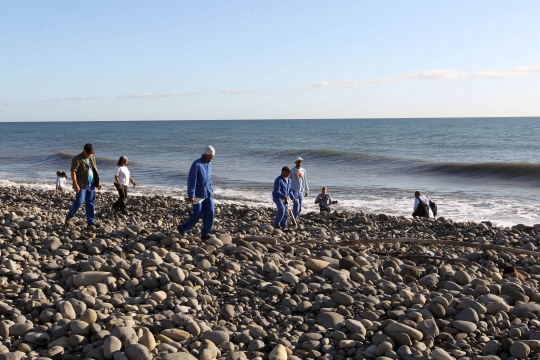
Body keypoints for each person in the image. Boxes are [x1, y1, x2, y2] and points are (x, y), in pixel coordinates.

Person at [177, 146, 216, 240]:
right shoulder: (197, 164)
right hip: (198, 194)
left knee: (210, 212)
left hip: (208, 193)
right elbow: (191, 180)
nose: (212, 157)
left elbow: (208, 179)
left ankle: (205, 233)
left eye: (213, 155)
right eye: (211, 155)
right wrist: (191, 194)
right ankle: (182, 228)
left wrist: (211, 189)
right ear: (206, 154)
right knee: (197, 214)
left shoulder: (209, 164)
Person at [65, 143, 102, 227]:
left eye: (91, 153)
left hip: (91, 183)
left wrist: (98, 182)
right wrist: (75, 183)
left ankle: (91, 221)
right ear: (84, 151)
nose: (90, 155)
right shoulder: (77, 159)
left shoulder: (92, 158)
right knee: (79, 201)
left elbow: (95, 170)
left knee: (91, 202)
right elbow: (73, 171)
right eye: (88, 153)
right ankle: (69, 217)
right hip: (81, 184)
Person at [272, 166, 297, 231]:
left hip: (286, 198)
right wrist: (283, 196)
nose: (289, 174)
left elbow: (290, 190)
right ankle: (276, 223)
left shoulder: (289, 180)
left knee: (286, 213)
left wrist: (292, 197)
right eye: (288, 172)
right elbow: (276, 190)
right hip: (278, 198)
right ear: (284, 172)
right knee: (282, 209)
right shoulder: (278, 179)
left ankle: (283, 227)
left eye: (289, 173)